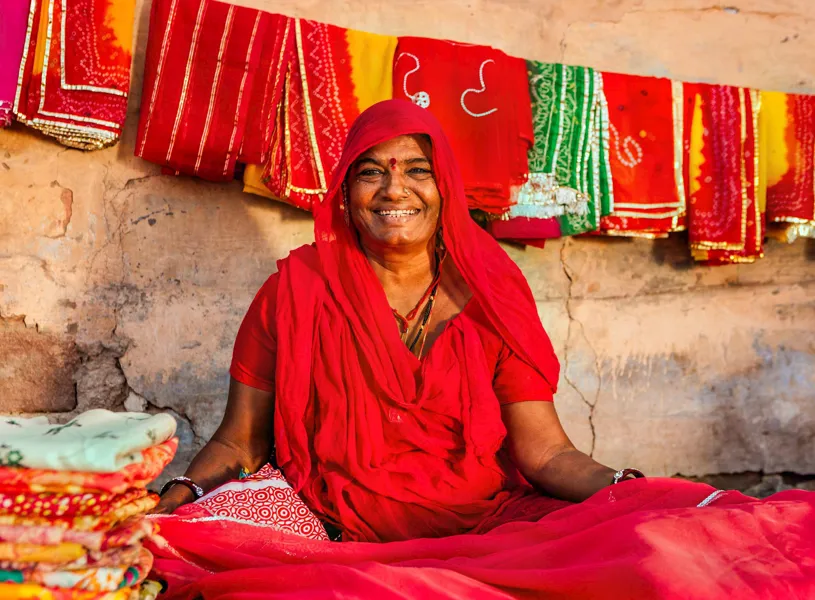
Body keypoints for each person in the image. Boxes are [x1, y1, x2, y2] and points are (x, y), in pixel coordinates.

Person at [149, 100, 815, 598]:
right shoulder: (294, 290)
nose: (394, 189)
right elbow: (240, 444)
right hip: (333, 530)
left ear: (445, 190)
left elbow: (546, 452)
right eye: (370, 173)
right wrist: (173, 497)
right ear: (345, 193)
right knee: (184, 555)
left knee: (663, 551)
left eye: (417, 170)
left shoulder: (492, 290)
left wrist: (624, 490)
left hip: (487, 525)